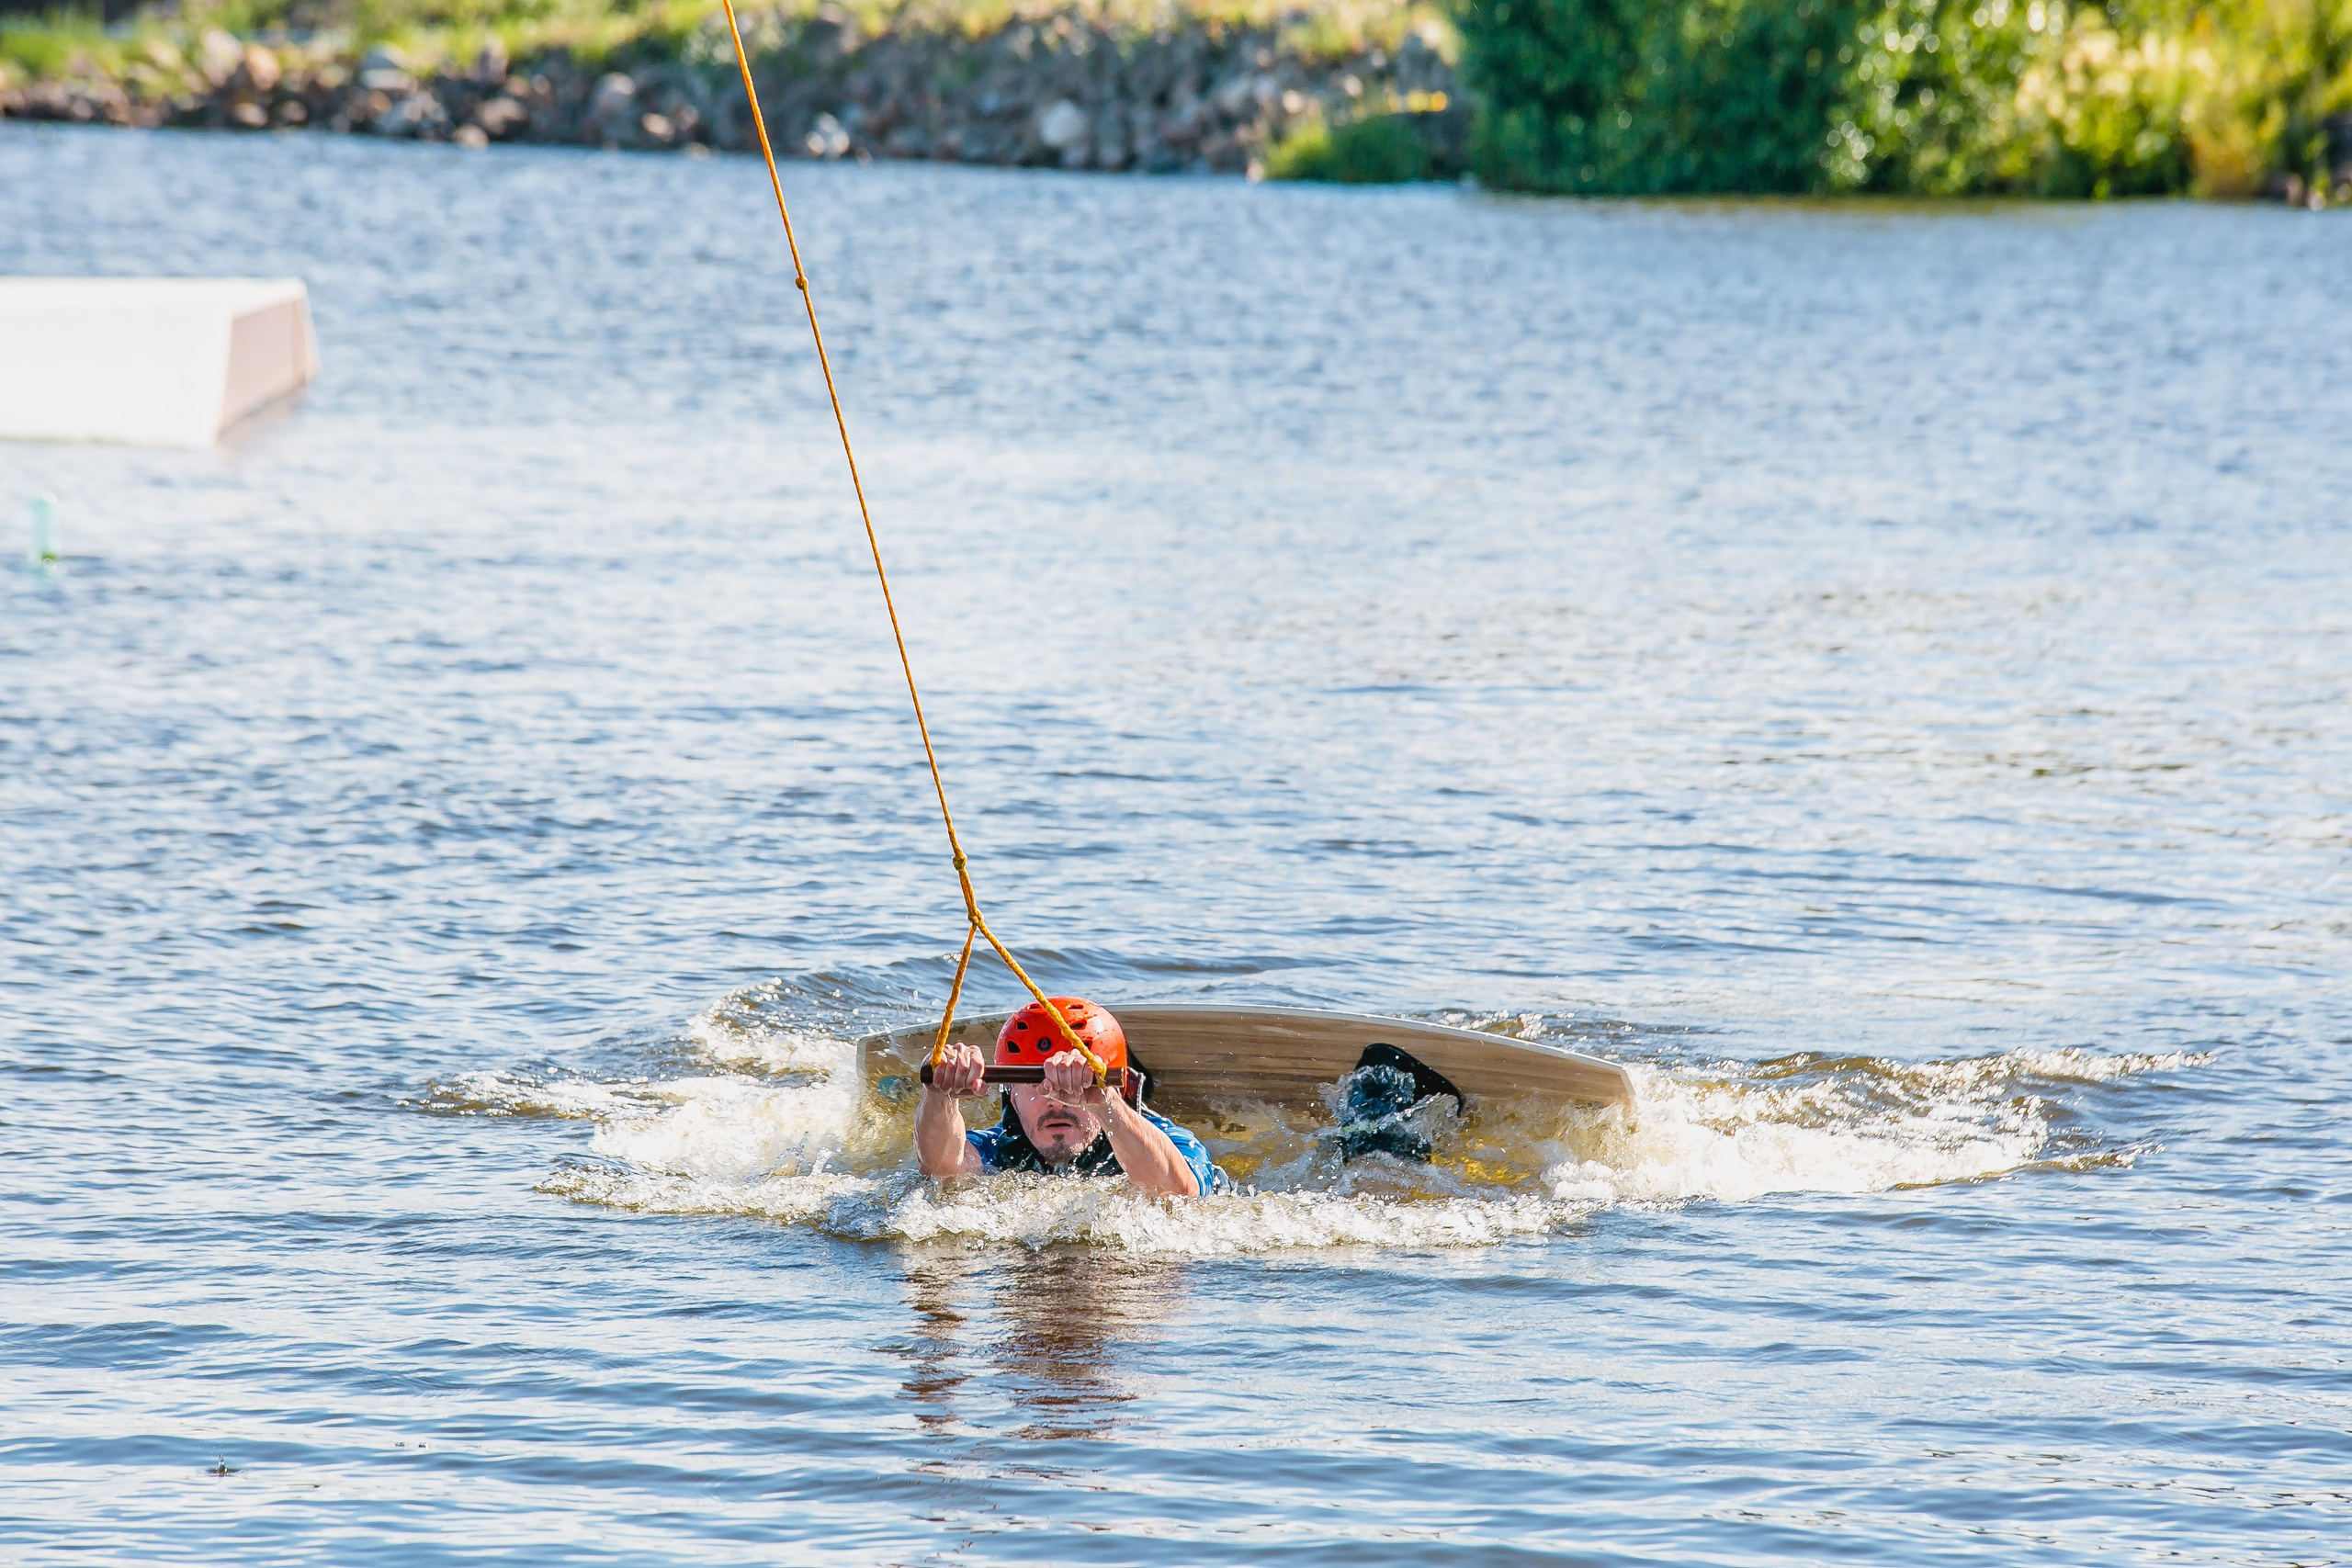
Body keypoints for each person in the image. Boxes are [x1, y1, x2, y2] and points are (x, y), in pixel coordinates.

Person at [914, 997, 1222, 1198]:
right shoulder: (999, 1146)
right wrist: (939, 1094)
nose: (1056, 1101)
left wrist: (1103, 1102)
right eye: (1036, 1085)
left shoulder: (1175, 1142)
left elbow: (1179, 1194)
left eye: (1072, 1090)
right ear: (1011, 1095)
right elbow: (941, 1171)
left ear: (1119, 1089)